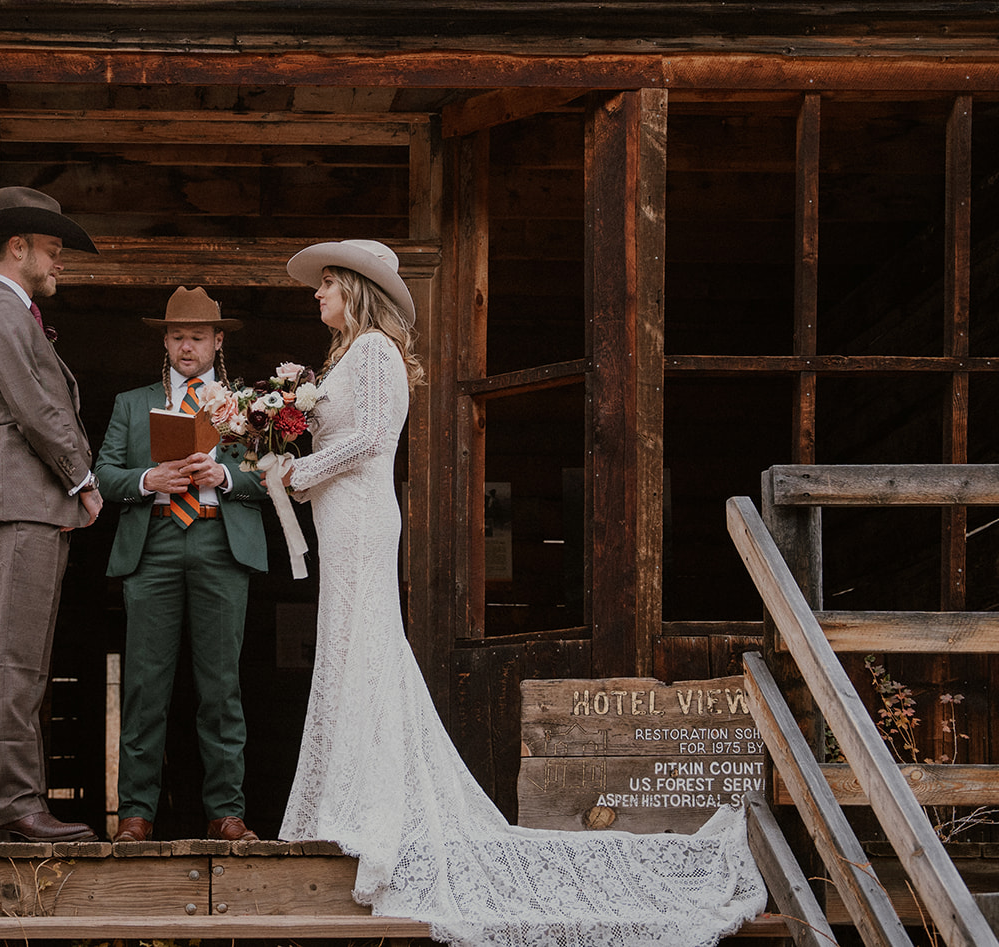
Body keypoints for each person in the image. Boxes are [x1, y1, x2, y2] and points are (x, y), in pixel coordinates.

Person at [277, 239, 765, 947]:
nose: (316, 295)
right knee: (350, 649)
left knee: (366, 648)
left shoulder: (378, 351)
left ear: (354, 289)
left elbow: (374, 439)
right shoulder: (346, 356)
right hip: (340, 519)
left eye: (325, 284)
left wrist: (301, 471)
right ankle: (345, 797)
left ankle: (368, 807)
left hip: (360, 517)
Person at [0, 186, 105, 843]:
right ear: (18, 248)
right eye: (53, 249)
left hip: (32, 509)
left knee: (27, 663)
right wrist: (85, 478)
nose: (58, 262)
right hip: (20, 504)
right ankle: (13, 805)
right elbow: (36, 410)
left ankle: (19, 800)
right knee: (15, 663)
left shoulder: (13, 313)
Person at [94, 287, 269, 844]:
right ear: (164, 341)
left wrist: (228, 478)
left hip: (221, 545)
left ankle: (226, 813)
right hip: (155, 545)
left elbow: (275, 478)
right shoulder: (131, 401)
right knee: (145, 684)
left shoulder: (247, 405)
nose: (185, 346)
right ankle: (135, 815)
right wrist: (149, 480)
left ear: (219, 341)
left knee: (221, 686)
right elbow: (103, 474)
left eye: (196, 336)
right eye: (175, 336)